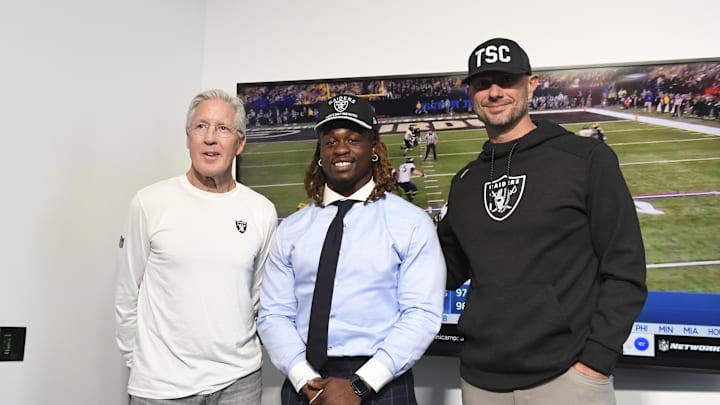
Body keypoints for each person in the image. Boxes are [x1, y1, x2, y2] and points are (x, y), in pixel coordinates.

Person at [437, 38, 647, 405]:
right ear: (470, 92)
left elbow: (625, 268)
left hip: (567, 378)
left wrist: (596, 360)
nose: (495, 92)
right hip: (480, 380)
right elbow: (446, 271)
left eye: (506, 80)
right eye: (483, 84)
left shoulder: (585, 159)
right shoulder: (466, 182)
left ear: (531, 84)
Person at [258, 94, 445, 405]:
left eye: (353, 139)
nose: (340, 148)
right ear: (320, 153)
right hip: (305, 380)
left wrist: (362, 384)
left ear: (373, 149)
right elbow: (274, 313)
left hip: (382, 381)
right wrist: (302, 377)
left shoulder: (409, 222)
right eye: (330, 141)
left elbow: (421, 314)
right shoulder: (292, 228)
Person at [115, 89, 278, 404]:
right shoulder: (149, 203)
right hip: (162, 388)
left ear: (240, 142)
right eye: (201, 127)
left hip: (239, 383)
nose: (210, 138)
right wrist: (142, 364)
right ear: (188, 137)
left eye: (223, 128)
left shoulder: (260, 210)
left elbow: (256, 296)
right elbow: (126, 294)